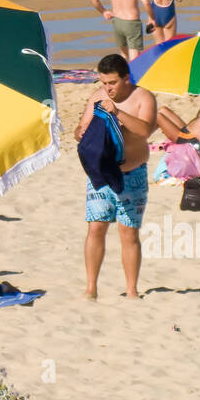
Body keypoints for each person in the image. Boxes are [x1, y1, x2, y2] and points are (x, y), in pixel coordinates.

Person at [74, 53, 157, 299]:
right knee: (96, 228)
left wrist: (118, 114)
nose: (107, 88)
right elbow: (82, 127)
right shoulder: (97, 97)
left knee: (128, 232)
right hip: (101, 173)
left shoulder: (143, 97)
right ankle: (91, 288)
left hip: (133, 174)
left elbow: (144, 131)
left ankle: (131, 290)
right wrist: (80, 132)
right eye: (104, 83)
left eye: (112, 83)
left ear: (126, 78)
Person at [90, 0, 157, 62]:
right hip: (132, 23)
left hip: (117, 22)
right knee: (135, 57)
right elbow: (146, 3)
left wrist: (104, 12)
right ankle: (133, 76)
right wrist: (151, 18)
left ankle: (123, 75)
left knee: (124, 55)